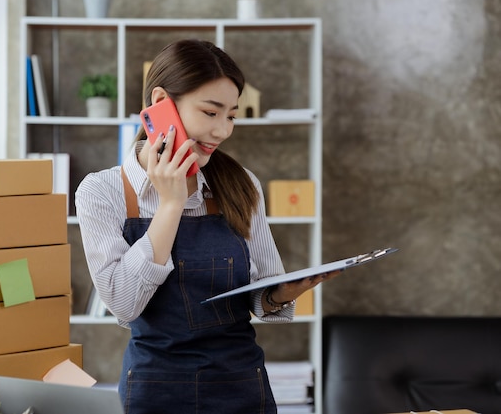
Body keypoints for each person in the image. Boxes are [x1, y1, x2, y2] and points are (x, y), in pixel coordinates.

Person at [75, 39, 339, 414]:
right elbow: (123, 303)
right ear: (160, 102)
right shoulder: (101, 192)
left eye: (231, 116)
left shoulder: (241, 184)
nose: (221, 131)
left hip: (241, 387)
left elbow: (261, 299)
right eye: (210, 112)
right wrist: (171, 203)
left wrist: (283, 293)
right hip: (156, 391)